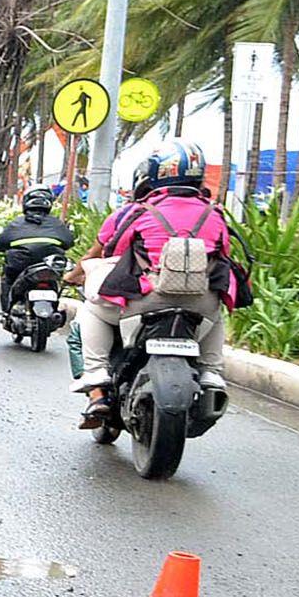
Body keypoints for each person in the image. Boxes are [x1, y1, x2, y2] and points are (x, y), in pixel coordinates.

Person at [67, 138, 241, 429]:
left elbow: (111, 251)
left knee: (92, 310)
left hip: (146, 298)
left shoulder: (135, 211)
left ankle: (96, 374)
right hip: (200, 301)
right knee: (216, 311)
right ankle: (211, 371)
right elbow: (225, 256)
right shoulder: (215, 214)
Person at [0, 186, 76, 313]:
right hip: (51, 265)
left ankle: (7, 311)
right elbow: (69, 242)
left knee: (8, 279)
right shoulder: (57, 224)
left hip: (20, 265)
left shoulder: (16, 224)